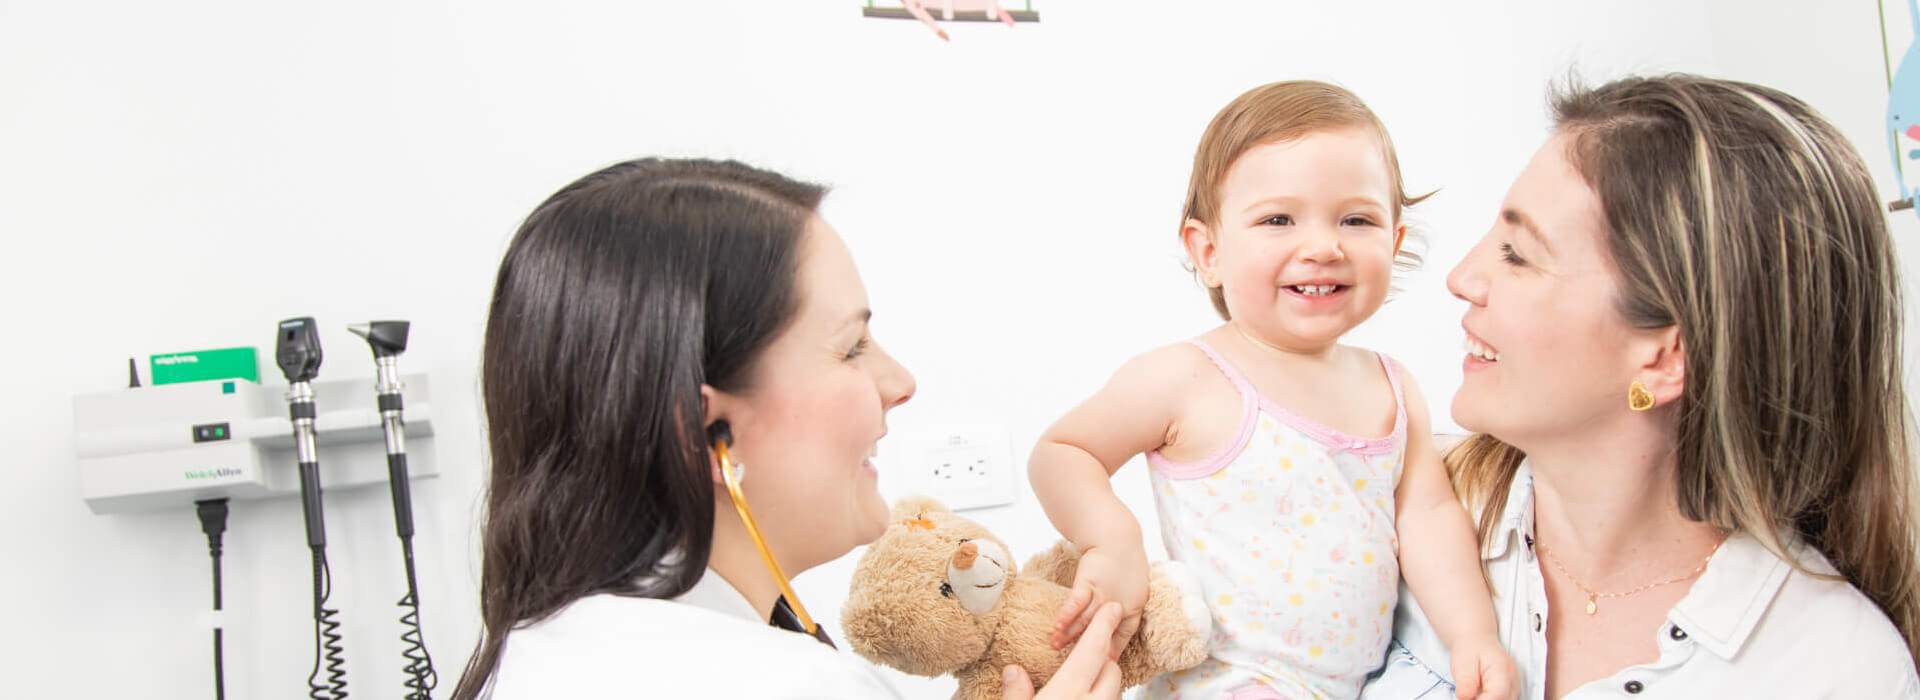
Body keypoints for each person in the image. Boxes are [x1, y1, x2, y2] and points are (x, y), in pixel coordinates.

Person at [451, 157, 1130, 699]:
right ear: (711, 431)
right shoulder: (791, 684)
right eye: (851, 348)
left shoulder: (538, 650)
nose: (901, 383)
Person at [1363, 74, 1920, 699]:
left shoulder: (1836, 673)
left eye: (1518, 254)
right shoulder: (1383, 519)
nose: (1463, 276)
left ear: (1662, 359)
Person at [1029, 80, 1517, 700]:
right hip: (1223, 684)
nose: (1322, 246)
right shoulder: (1188, 377)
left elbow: (1429, 518)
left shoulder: (1393, 386)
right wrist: (1111, 539)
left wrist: (1472, 635)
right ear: (1208, 252)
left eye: (1357, 219)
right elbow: (1063, 451)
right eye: (1278, 219)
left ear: (1393, 242)